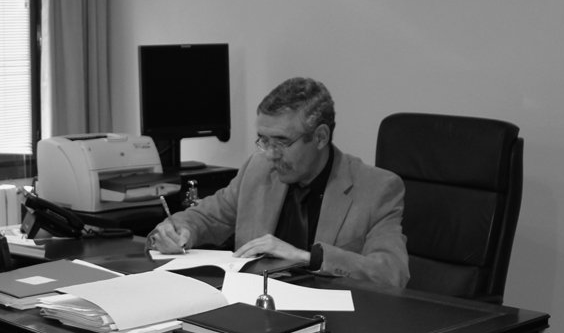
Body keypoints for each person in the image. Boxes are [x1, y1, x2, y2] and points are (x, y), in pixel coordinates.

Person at [148, 77, 410, 288]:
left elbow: (392, 274)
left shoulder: (377, 188)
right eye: (264, 140)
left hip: (335, 324)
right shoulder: (258, 170)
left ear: (320, 137)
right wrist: (177, 231)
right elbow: (206, 217)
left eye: (282, 142)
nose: (270, 154)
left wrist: (307, 258)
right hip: (256, 315)